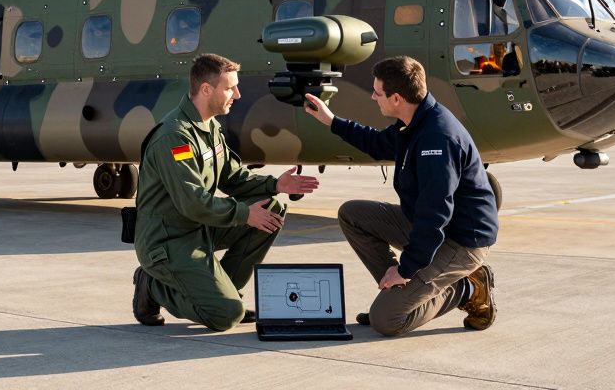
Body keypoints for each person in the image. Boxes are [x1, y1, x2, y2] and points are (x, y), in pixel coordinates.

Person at [302, 55, 499, 336]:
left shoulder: (437, 137)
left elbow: (435, 214)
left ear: (396, 98)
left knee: (386, 321)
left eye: (377, 92)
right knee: (353, 214)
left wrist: (406, 269)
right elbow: (378, 143)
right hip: (433, 228)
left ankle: (466, 288)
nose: (373, 96)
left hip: (462, 242)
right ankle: (397, 293)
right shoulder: (414, 122)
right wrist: (332, 121)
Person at [132, 53, 320, 330]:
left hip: (197, 229)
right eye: (230, 87)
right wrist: (244, 214)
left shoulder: (210, 128)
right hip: (168, 242)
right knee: (225, 316)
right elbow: (193, 202)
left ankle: (226, 293)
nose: (238, 94)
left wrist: (275, 186)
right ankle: (152, 285)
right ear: (206, 89)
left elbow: (232, 177)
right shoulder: (175, 137)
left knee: (271, 210)